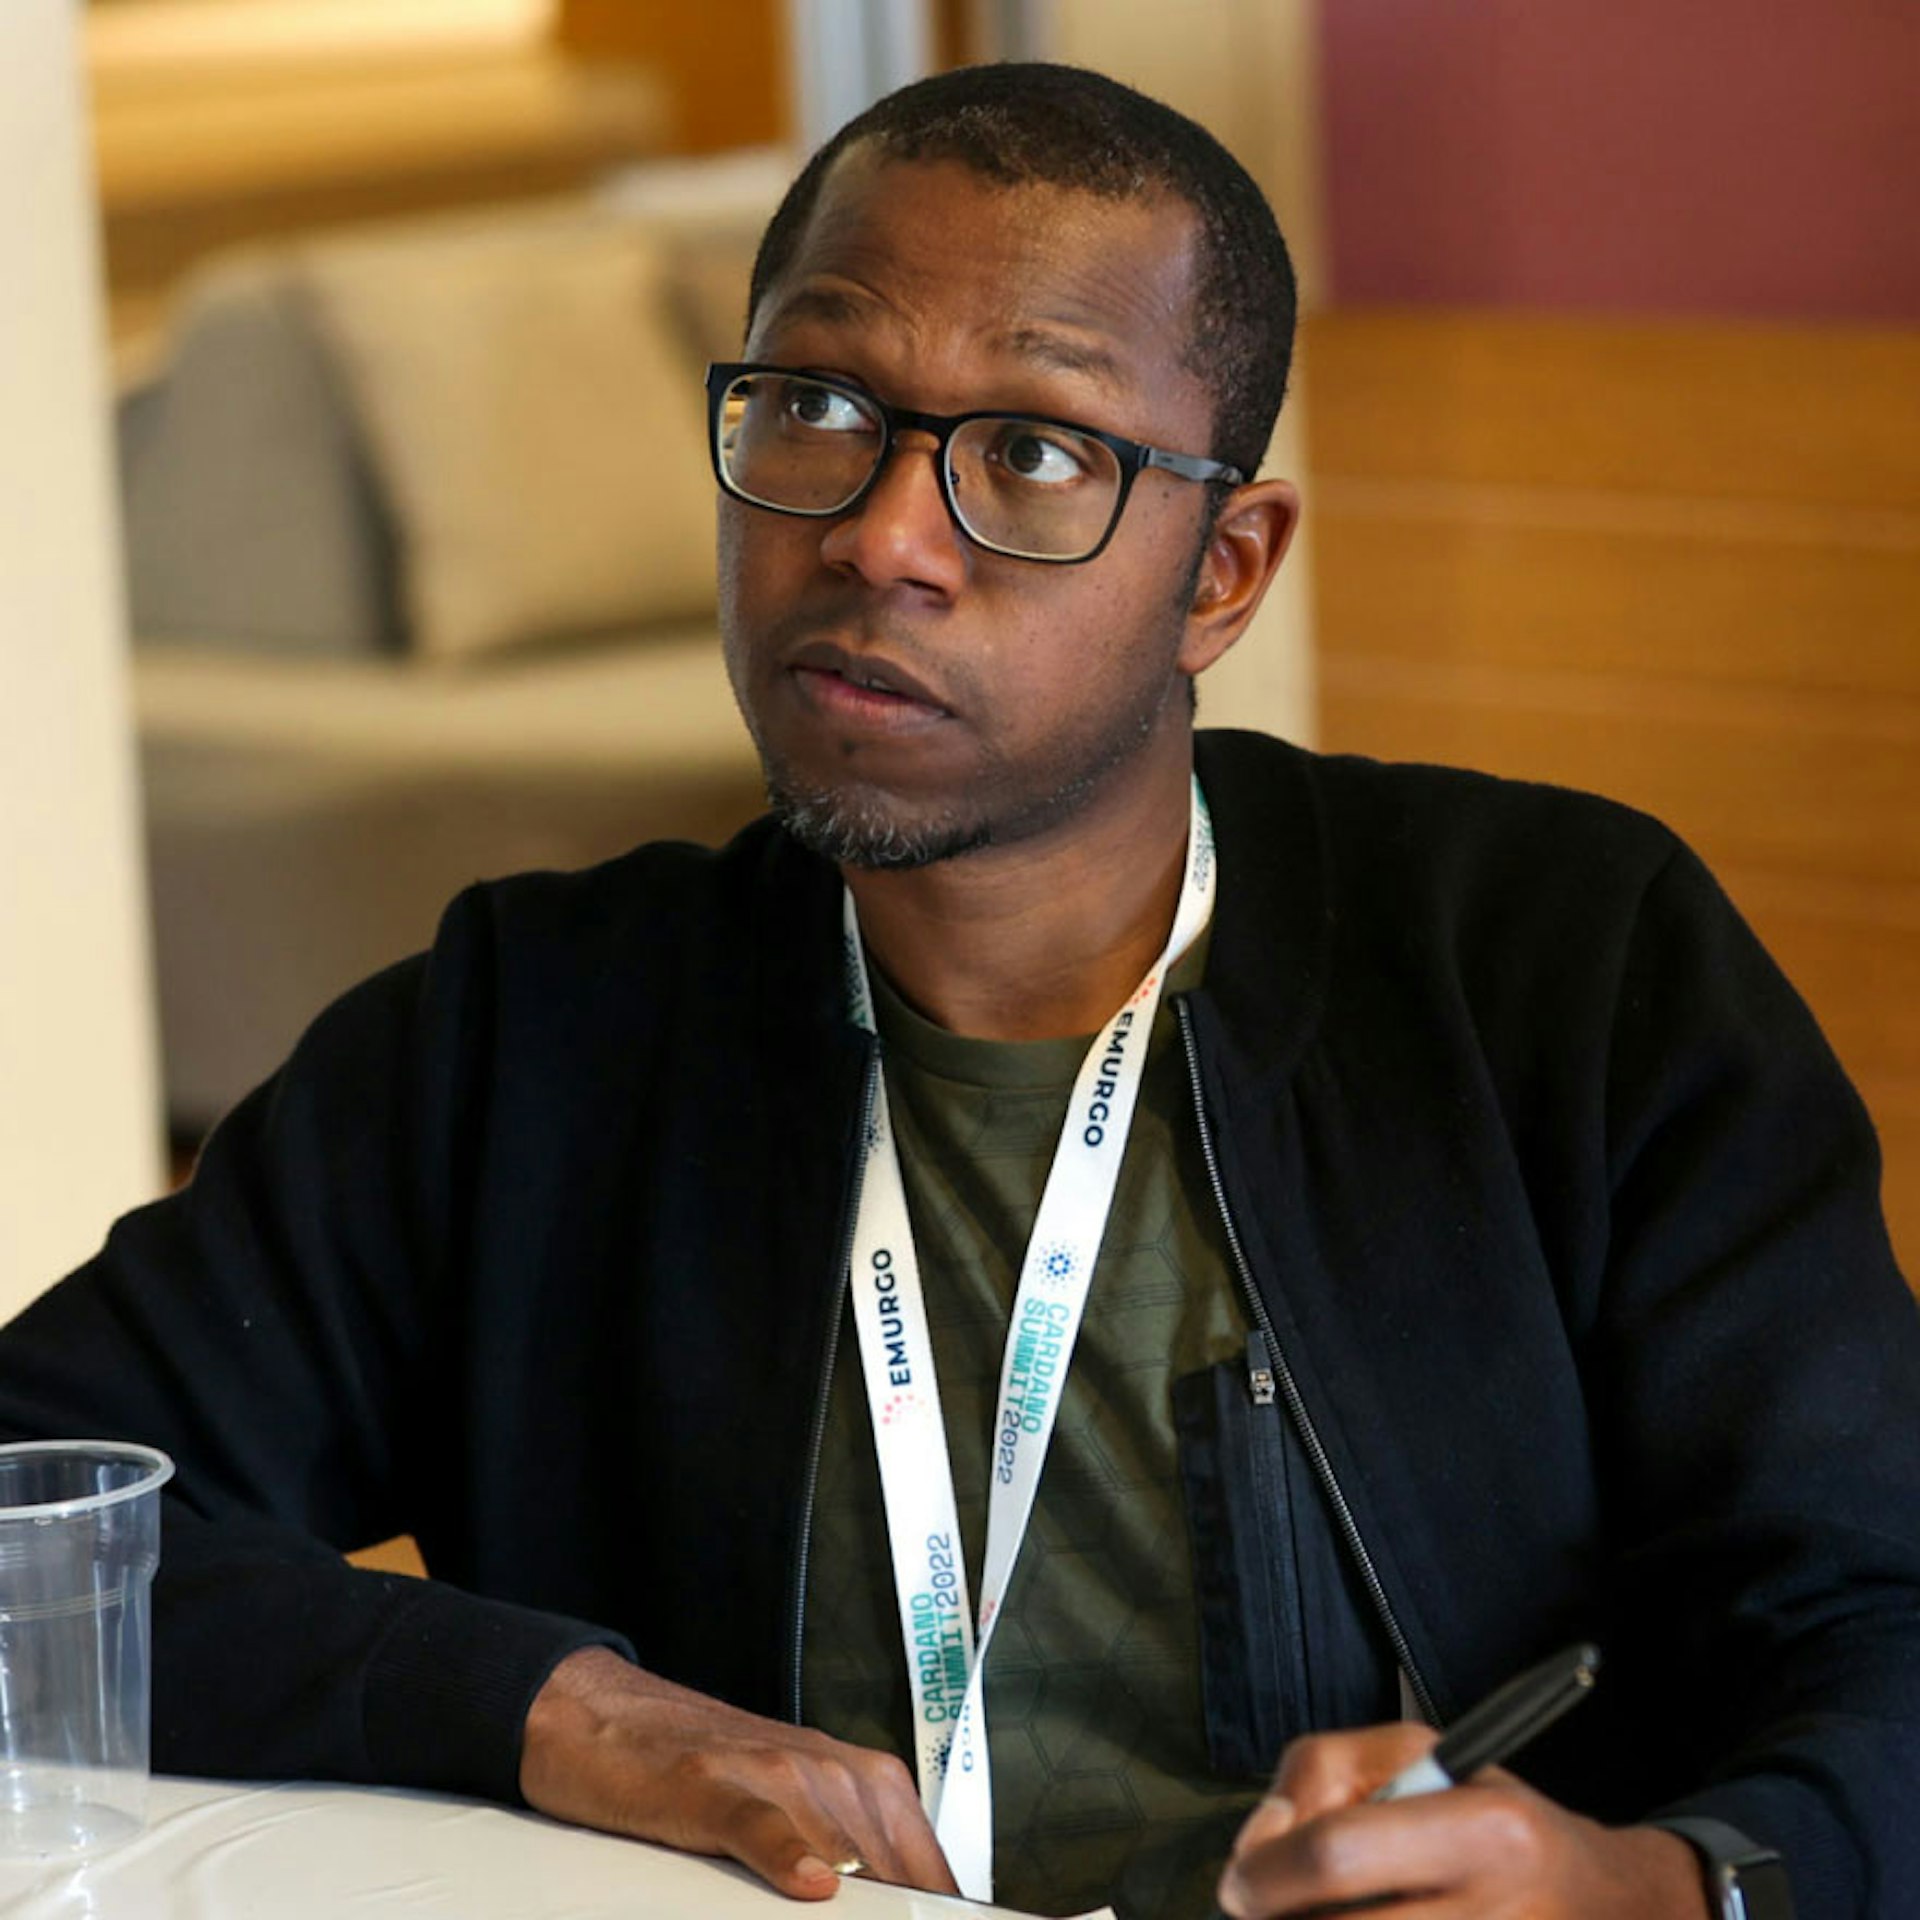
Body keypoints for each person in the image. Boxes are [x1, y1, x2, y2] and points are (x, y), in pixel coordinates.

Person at [2, 60, 1917, 1920]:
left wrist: (1657, 1888)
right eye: (819, 403)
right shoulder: (534, 1032)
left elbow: (1879, 1617)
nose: (881, 535)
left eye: (1032, 452)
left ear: (1223, 574)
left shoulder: (1560, 969)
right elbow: (32, 1512)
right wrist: (558, 1712)